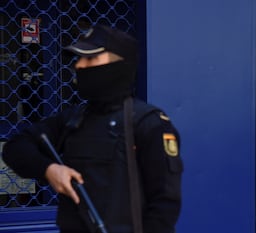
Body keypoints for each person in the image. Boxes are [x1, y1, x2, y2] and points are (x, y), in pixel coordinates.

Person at [2, 24, 183, 233]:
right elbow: (16, 148)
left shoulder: (148, 124)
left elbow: (164, 206)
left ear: (119, 65)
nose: (79, 66)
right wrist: (49, 169)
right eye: (78, 59)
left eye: (90, 58)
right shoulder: (73, 119)